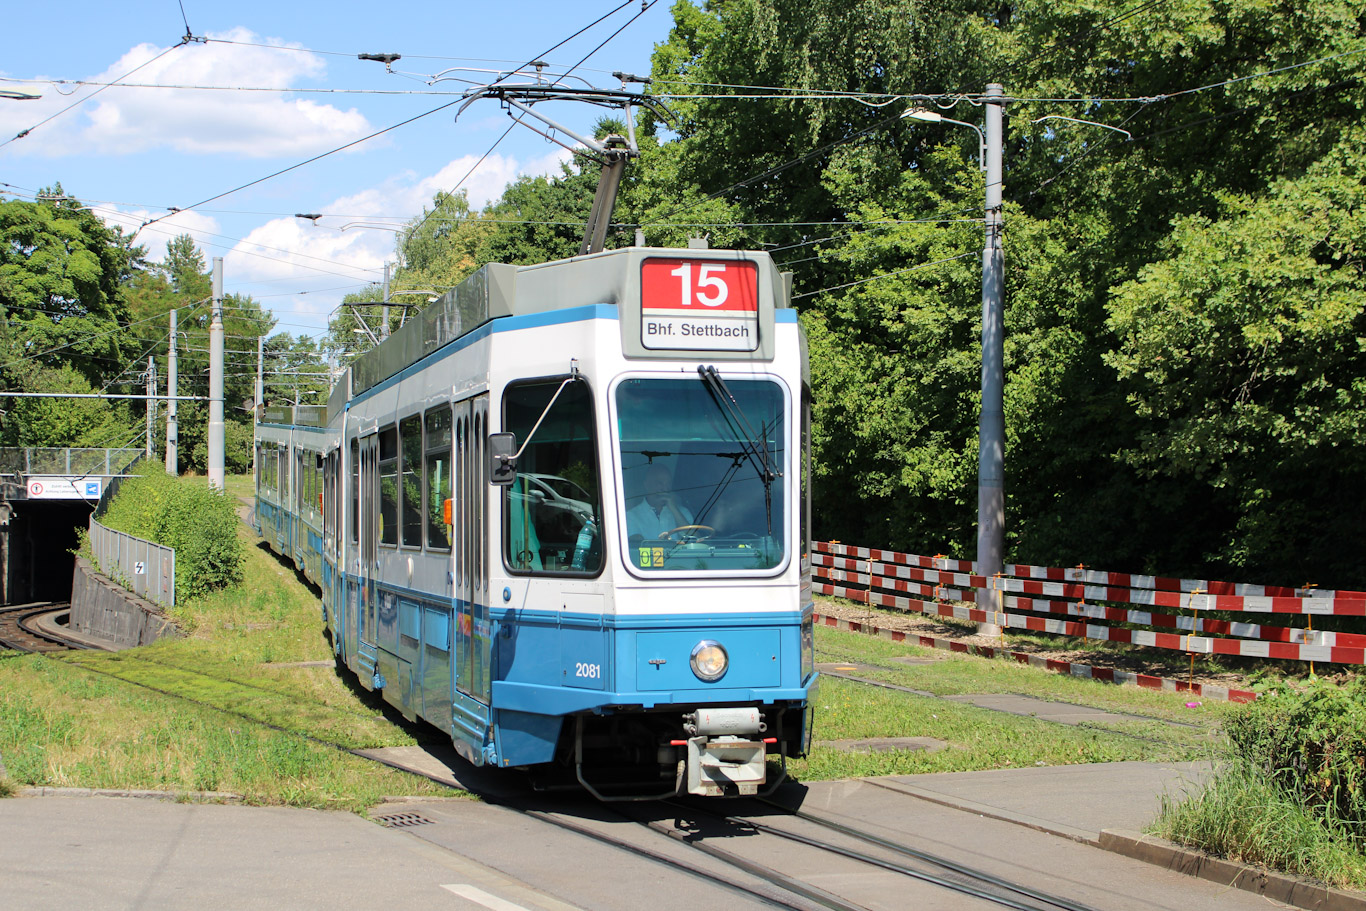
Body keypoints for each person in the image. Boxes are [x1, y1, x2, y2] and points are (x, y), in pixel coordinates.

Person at [626, 463, 694, 543]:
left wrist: (673, 508)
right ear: (647, 485)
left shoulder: (682, 512)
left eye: (668, 483)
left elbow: (696, 540)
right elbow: (635, 550)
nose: (665, 488)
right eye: (660, 483)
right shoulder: (631, 516)